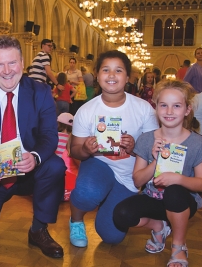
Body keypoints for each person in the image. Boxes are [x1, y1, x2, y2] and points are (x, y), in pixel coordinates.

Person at [0, 35, 66, 258]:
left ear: (22, 63)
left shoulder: (40, 92)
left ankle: (39, 229)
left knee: (55, 166)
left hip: (31, 169)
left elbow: (49, 136)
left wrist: (36, 157)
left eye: (12, 62)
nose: (7, 70)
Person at [113, 80, 202, 267]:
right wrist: (154, 161)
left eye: (176, 106)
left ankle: (178, 246)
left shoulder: (197, 143)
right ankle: (159, 227)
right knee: (121, 215)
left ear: (186, 110)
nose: (169, 111)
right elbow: (138, 180)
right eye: (163, 105)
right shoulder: (147, 138)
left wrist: (178, 179)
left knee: (174, 192)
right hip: (153, 199)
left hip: (182, 203)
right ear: (156, 108)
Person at [68, 50, 158, 248]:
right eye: (105, 70)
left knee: (112, 236)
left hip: (129, 175)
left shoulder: (144, 109)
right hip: (99, 164)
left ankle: (107, 198)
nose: (111, 75)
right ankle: (76, 221)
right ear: (97, 75)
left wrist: (135, 147)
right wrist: (86, 149)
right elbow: (74, 150)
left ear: (127, 77)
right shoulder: (86, 110)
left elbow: (154, 149)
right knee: (87, 193)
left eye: (118, 70)